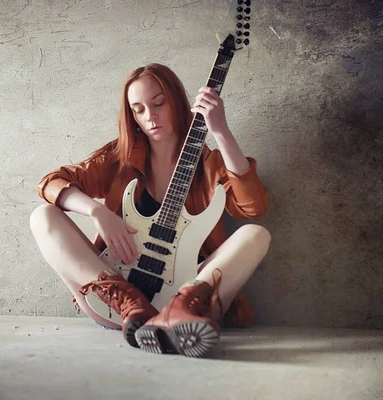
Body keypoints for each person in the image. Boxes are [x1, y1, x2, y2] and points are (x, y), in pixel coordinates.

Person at [29, 63, 270, 357]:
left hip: (184, 294)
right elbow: (50, 183)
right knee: (42, 216)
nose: (150, 116)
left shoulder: (210, 166)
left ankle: (178, 309)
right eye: (139, 109)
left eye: (158, 103)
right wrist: (96, 211)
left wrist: (220, 130)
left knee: (256, 235)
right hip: (118, 304)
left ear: (177, 102)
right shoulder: (119, 159)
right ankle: (130, 301)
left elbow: (253, 207)